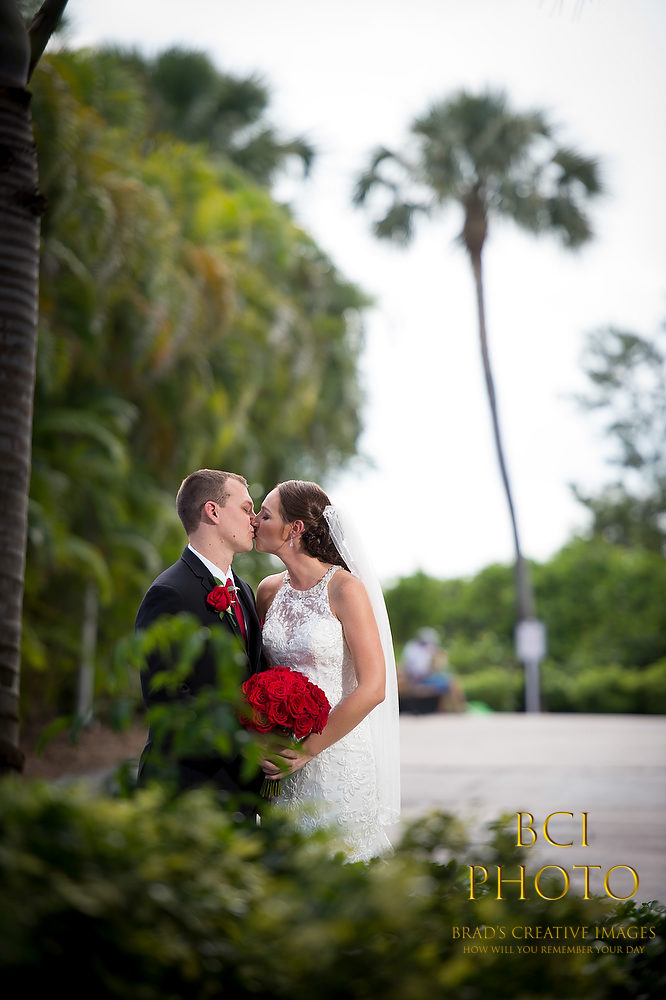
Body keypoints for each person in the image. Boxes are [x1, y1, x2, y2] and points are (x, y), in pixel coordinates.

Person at [253, 480, 400, 862]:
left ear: (295, 528)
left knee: (339, 867)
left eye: (265, 515)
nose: (254, 520)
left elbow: (374, 687)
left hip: (336, 751)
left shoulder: (345, 589)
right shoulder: (267, 591)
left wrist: (306, 750)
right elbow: (257, 674)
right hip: (278, 755)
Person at [135, 469, 264, 808]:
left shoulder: (245, 591)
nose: (255, 519)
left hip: (241, 788)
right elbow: (166, 700)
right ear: (213, 511)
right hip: (187, 787)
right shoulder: (169, 592)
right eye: (246, 508)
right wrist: (245, 744)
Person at [401, 627, 466, 712]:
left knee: (450, 680)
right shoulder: (419, 650)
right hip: (419, 680)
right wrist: (433, 668)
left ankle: (454, 708)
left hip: (416, 679)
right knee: (451, 682)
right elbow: (420, 672)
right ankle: (460, 709)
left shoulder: (411, 647)